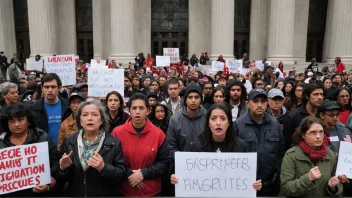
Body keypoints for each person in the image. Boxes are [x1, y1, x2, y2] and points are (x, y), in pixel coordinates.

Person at [170, 102, 262, 191]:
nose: (218, 123)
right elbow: (187, 177)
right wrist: (178, 179)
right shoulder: (196, 146)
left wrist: (255, 184)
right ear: (208, 123)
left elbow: (250, 177)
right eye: (213, 118)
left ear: (229, 122)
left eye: (223, 118)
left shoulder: (242, 147)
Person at [58, 98, 126, 197]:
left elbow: (121, 175)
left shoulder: (113, 143)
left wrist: (104, 168)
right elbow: (60, 177)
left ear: (101, 120)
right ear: (80, 121)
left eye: (95, 114)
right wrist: (62, 168)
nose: (90, 118)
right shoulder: (69, 141)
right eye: (85, 115)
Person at [112, 93, 171, 197]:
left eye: (141, 108)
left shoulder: (158, 134)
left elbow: (165, 162)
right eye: (134, 108)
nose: (137, 112)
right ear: (128, 110)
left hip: (151, 191)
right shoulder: (117, 133)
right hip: (124, 190)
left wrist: (143, 173)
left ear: (148, 110)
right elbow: (112, 161)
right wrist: (131, 174)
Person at [0, 103, 60, 197]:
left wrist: (46, 181)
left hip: (38, 193)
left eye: (21, 120)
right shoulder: (1, 142)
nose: (16, 124)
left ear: (28, 121)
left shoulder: (42, 137)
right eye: (12, 121)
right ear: (6, 123)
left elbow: (56, 163)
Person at [233, 88, 285, 196]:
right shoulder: (238, 125)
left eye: (263, 101)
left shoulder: (274, 124)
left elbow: (281, 150)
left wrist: (277, 172)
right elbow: (234, 154)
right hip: (246, 184)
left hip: (270, 183)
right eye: (255, 101)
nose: (260, 105)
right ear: (248, 103)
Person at [280, 117, 345, 197]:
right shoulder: (291, 155)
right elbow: (286, 188)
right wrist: (307, 179)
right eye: (313, 132)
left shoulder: (330, 155)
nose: (318, 136)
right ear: (303, 135)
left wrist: (333, 187)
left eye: (321, 132)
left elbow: (337, 187)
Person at [30, 73, 70, 145]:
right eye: (46, 87)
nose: (50, 90)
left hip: (65, 148)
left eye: (53, 87)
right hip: (43, 148)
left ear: (60, 88)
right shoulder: (33, 108)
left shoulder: (68, 106)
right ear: (42, 88)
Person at [167, 83, 207, 154]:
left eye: (196, 97)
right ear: (185, 99)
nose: (193, 100)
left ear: (201, 99)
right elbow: (171, 147)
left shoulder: (208, 118)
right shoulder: (175, 120)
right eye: (190, 97)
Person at [283, 83, 324, 150]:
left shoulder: (323, 114)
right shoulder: (292, 116)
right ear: (307, 96)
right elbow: (287, 142)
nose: (320, 97)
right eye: (315, 94)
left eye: (321, 94)